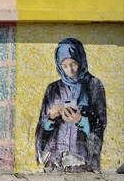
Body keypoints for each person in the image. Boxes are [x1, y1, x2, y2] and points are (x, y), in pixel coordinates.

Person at [35, 38, 107, 172]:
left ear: (81, 60)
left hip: (82, 158)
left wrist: (81, 120)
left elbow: (101, 123)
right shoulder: (53, 89)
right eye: (65, 65)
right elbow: (41, 127)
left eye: (73, 63)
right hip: (57, 158)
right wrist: (51, 118)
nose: (70, 70)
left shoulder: (94, 85)